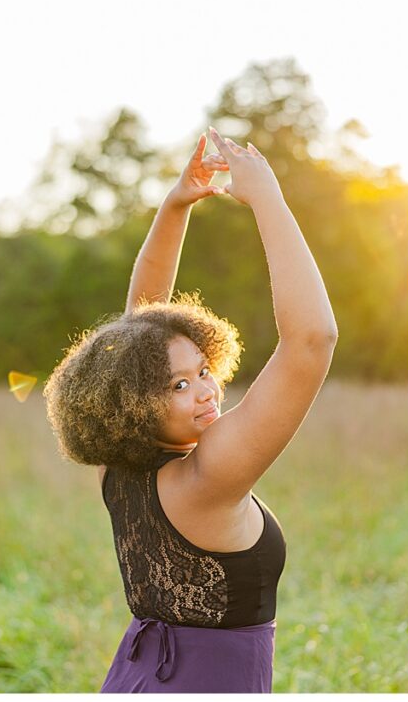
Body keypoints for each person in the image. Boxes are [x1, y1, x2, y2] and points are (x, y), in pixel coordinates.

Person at [45, 128, 337, 692]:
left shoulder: (118, 469)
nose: (205, 391)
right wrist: (267, 199)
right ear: (129, 402)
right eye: (178, 385)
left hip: (133, 680)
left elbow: (137, 326)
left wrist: (177, 204)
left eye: (203, 371)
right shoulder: (208, 475)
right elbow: (312, 341)